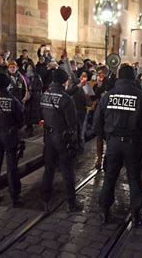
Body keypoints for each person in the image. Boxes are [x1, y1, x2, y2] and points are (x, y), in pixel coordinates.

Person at [94, 65, 142, 225]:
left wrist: (107, 137)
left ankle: (104, 210)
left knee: (110, 177)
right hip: (133, 144)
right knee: (134, 178)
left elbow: (97, 121)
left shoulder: (108, 96)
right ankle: (136, 212)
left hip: (113, 143)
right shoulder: (141, 97)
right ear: (133, 77)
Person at [40, 68, 83, 212]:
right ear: (65, 81)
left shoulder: (45, 95)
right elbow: (72, 122)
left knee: (49, 169)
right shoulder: (66, 99)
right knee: (67, 170)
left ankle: (45, 199)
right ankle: (71, 202)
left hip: (48, 136)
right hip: (62, 138)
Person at [0, 72, 24, 206]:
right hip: (10, 137)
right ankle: (15, 196)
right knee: (12, 168)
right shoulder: (13, 100)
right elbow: (20, 121)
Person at [24, 64, 43, 137]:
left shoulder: (37, 76)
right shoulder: (25, 76)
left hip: (35, 97)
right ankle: (28, 126)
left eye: (30, 67)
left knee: (33, 112)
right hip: (27, 97)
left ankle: (31, 128)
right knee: (27, 111)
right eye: (28, 67)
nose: (29, 68)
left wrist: (33, 88)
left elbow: (40, 86)